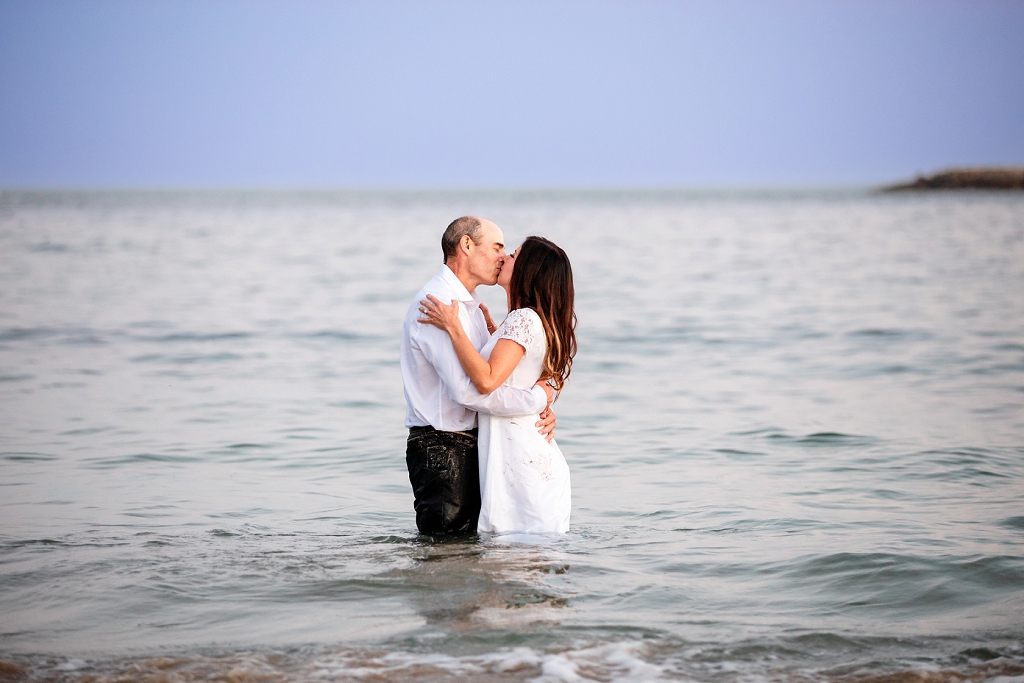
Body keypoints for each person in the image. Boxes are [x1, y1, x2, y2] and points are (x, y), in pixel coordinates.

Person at [401, 217, 557, 536]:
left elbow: (502, 375)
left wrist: (544, 400)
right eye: (498, 247)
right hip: (443, 448)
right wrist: (539, 398)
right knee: (444, 561)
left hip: (471, 446)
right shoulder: (439, 304)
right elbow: (467, 391)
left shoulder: (470, 309)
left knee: (467, 563)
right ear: (467, 246)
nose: (502, 257)